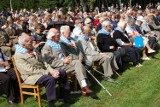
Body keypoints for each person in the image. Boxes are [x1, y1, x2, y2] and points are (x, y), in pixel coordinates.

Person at [14, 33, 72, 107]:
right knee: (50, 79)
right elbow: (30, 70)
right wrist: (49, 73)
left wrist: (51, 70)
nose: (32, 42)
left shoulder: (32, 49)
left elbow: (44, 62)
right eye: (30, 41)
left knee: (62, 72)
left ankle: (65, 96)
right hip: (31, 76)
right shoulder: (19, 55)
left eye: (31, 40)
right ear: (24, 45)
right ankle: (51, 103)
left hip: (42, 72)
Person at [42, 28, 98, 99]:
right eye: (58, 34)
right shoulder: (46, 47)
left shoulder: (59, 43)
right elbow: (49, 62)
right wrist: (63, 61)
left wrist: (68, 57)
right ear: (52, 37)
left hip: (66, 63)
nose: (59, 35)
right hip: (56, 67)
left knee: (78, 64)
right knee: (79, 67)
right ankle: (85, 87)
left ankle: (84, 88)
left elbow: (64, 54)